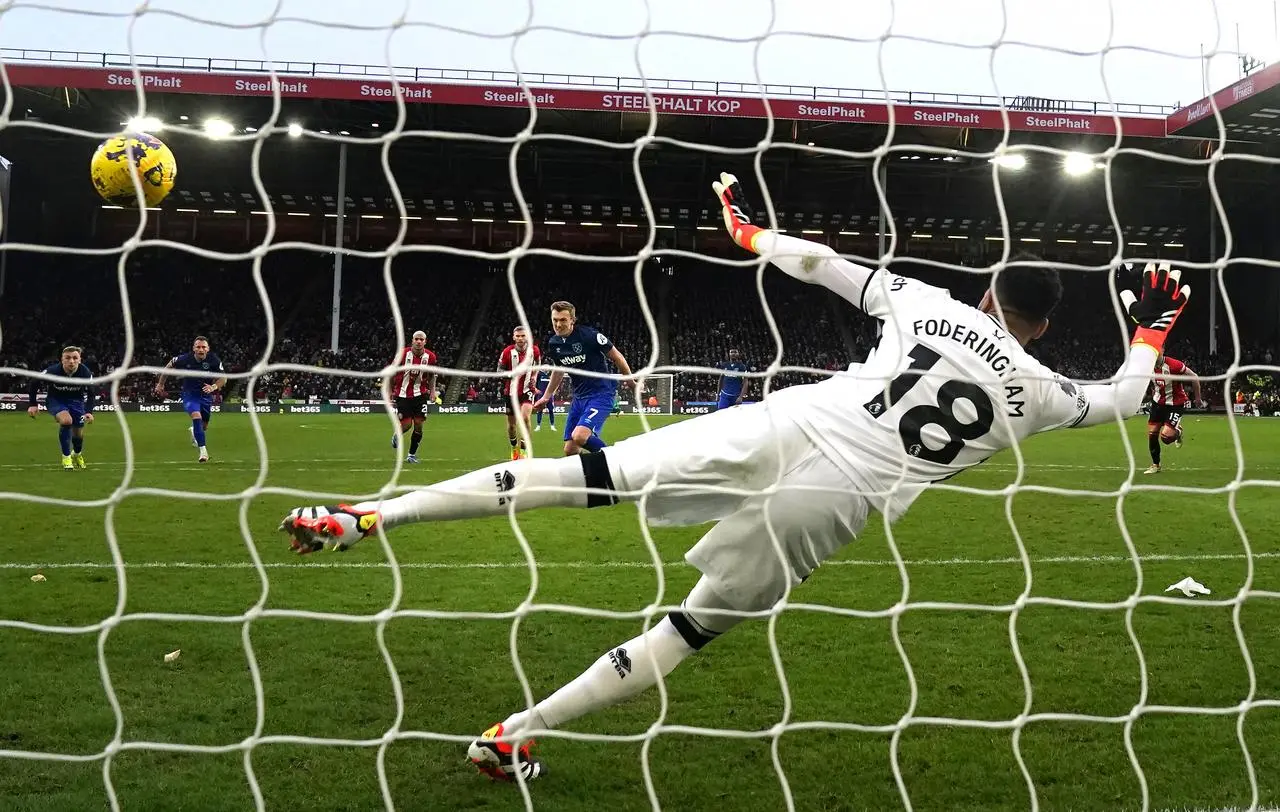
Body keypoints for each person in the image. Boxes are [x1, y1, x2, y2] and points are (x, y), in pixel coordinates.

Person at [279, 173, 1191, 783]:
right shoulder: (1038, 391)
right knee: (685, 628)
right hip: (833, 505)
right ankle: (512, 734)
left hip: (784, 422)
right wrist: (1152, 328)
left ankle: (373, 516)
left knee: (577, 474)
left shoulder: (933, 304)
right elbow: (1122, 396)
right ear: (1039, 324)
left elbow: (822, 266)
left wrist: (751, 231)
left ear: (993, 295)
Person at [531, 301, 635, 456]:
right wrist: (547, 396)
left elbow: (617, 356)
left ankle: (616, 460)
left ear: (573, 320)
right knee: (570, 450)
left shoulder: (589, 336)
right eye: (555, 320)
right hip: (579, 398)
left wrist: (631, 382)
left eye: (563, 320)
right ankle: (592, 476)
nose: (558, 324)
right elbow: (558, 371)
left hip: (601, 394)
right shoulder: (554, 343)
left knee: (580, 436)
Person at [155, 336, 226, 463]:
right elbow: (168, 366)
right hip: (190, 395)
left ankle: (194, 430)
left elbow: (223, 379)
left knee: (203, 426)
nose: (201, 349)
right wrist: (161, 384)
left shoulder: (214, 360)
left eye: (203, 347)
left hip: (205, 396)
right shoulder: (184, 359)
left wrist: (213, 387)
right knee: (196, 416)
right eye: (198, 347)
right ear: (194, 348)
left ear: (208, 349)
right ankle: (203, 452)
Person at [27, 345, 95, 470]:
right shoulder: (53, 371)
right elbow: (34, 382)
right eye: (67, 358)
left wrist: (89, 411)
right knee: (66, 420)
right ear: (62, 360)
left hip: (77, 402)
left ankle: (77, 454)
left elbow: (91, 393)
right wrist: (32, 404)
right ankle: (66, 457)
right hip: (56, 400)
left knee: (78, 435)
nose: (71, 361)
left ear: (80, 360)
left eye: (75, 358)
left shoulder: (85, 373)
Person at [1143, 353, 1204, 474]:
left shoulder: (1174, 365)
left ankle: (1178, 432)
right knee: (1152, 434)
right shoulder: (1147, 367)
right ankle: (1156, 465)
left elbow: (1194, 377)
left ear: (1162, 350)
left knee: (1166, 438)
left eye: (1157, 351)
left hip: (1175, 404)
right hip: (1157, 404)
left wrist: (1198, 398)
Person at [388, 331, 438, 464]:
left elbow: (432, 376)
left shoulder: (431, 357)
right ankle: (396, 435)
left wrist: (432, 392)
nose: (419, 341)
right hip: (402, 394)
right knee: (406, 425)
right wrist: (389, 391)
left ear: (425, 342)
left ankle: (411, 455)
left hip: (420, 394)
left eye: (421, 339)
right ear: (412, 340)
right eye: (417, 339)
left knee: (419, 425)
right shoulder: (402, 354)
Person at [498, 326, 541, 460]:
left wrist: (534, 377)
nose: (521, 338)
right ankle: (513, 448)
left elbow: (537, 364)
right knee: (512, 426)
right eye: (518, 336)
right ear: (513, 337)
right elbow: (499, 371)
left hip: (527, 391)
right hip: (510, 393)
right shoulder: (507, 352)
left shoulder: (534, 350)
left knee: (525, 418)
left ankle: (523, 451)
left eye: (523, 336)